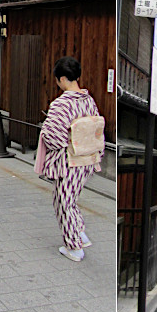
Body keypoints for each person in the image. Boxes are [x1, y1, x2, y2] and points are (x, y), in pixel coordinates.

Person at [39, 56, 101, 263]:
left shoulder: (61, 103)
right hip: (88, 158)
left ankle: (74, 247)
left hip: (70, 160)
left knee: (64, 201)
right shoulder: (88, 100)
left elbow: (51, 134)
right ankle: (79, 233)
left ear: (63, 78)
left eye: (58, 79)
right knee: (68, 198)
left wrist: (63, 145)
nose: (58, 83)